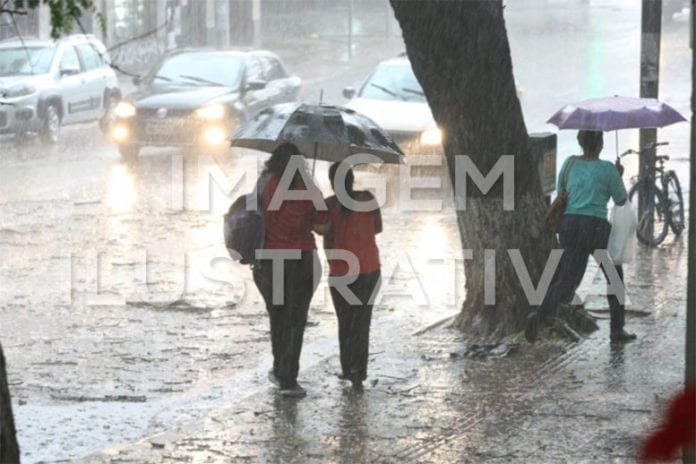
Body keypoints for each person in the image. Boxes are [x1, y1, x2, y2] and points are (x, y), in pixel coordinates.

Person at [526, 130, 637, 344]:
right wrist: (617, 176)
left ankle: (539, 315)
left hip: (569, 226)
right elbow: (621, 200)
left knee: (567, 279)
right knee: (614, 278)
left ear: (580, 143)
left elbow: (561, 192)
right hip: (595, 228)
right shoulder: (607, 169)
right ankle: (617, 330)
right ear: (601, 144)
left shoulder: (569, 164)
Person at [253, 143, 321, 398]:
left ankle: (280, 370)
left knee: (278, 316)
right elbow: (321, 223)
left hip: (270, 261)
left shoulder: (264, 183)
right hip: (303, 260)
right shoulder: (308, 188)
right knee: (296, 319)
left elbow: (251, 214)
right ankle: (289, 377)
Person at [314, 162, 382, 391]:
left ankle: (348, 367)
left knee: (346, 322)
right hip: (370, 269)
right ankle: (358, 373)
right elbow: (377, 228)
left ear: (333, 183)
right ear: (352, 179)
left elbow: (318, 228)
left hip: (341, 273)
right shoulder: (367, 199)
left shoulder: (329, 205)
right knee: (363, 322)